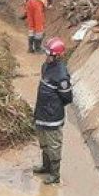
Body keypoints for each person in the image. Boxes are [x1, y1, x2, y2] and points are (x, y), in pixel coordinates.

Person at [32, 37, 72, 184]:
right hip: (41, 113)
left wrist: (52, 108)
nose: (46, 57)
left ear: (57, 56)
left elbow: (67, 98)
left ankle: (55, 175)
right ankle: (46, 166)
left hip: (53, 117)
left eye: (49, 54)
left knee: (54, 145)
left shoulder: (61, 76)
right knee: (44, 142)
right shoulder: (46, 67)